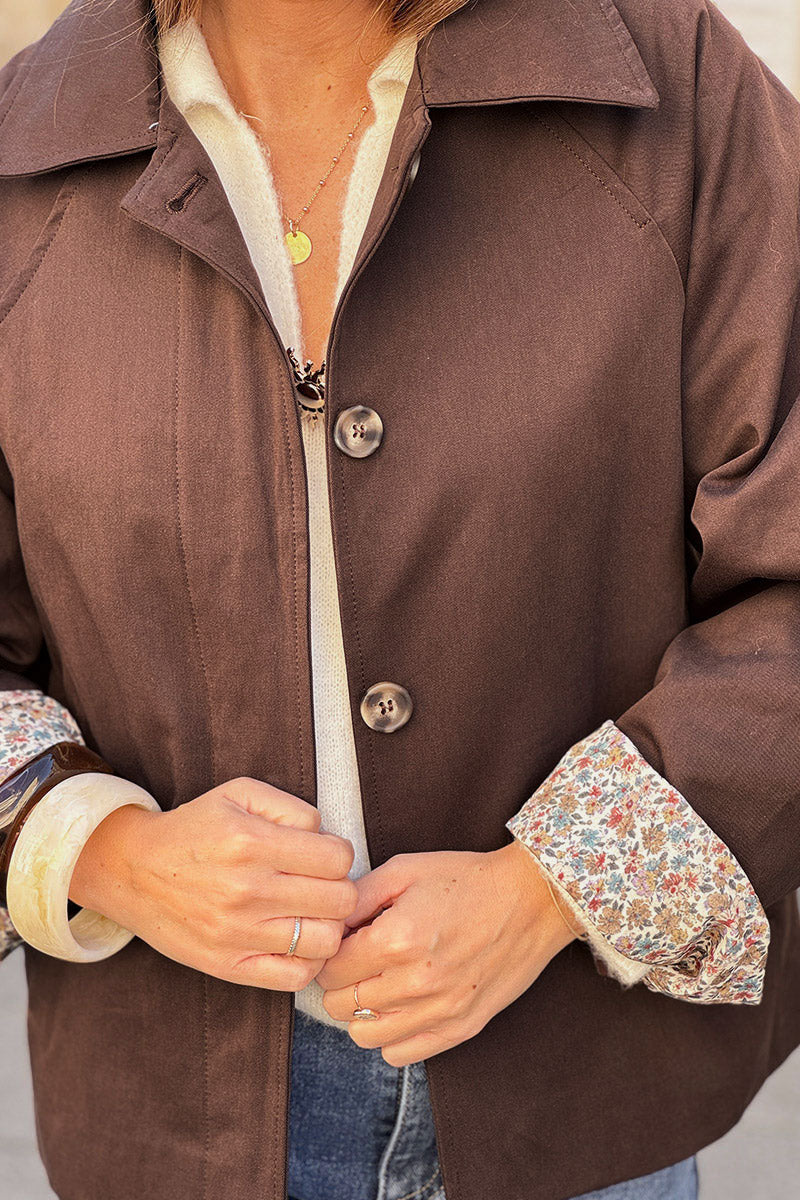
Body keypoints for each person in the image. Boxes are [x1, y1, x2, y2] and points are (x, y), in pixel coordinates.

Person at [0, 0, 798, 1197]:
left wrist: (548, 888)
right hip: (171, 1122)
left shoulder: (673, 93)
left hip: (573, 1107)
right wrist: (108, 853)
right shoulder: (26, 147)